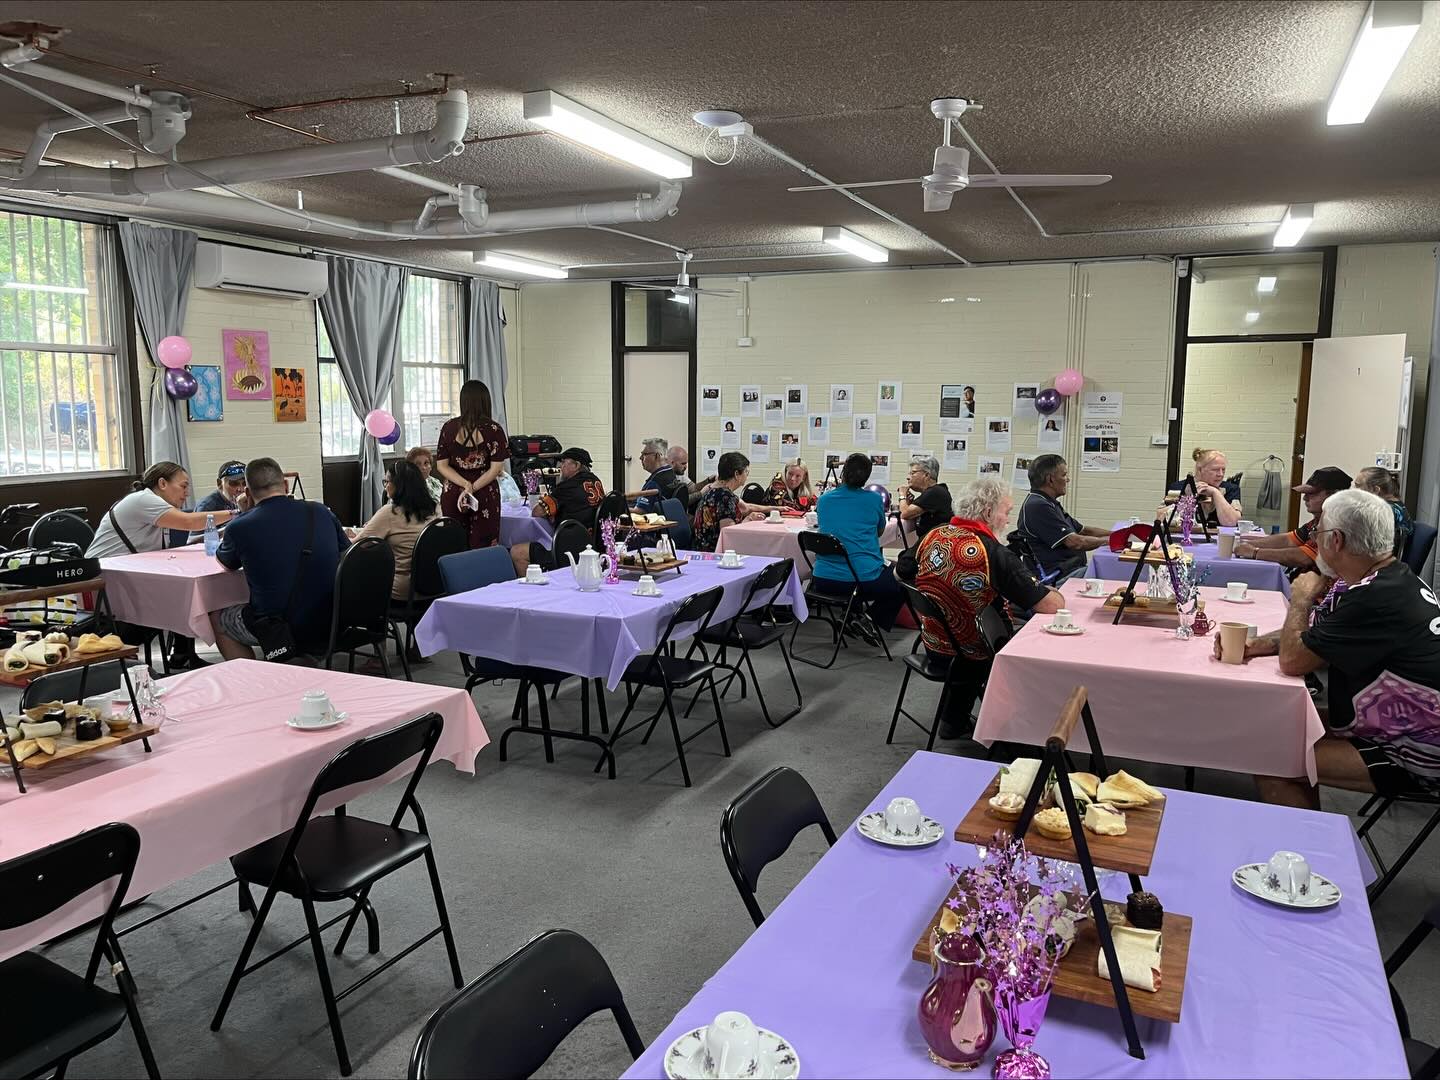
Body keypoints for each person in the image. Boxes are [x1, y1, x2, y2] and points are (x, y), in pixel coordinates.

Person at [1222, 489, 1440, 809]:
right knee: (1275, 719)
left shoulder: (1373, 597)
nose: (1315, 540)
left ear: (1335, 539)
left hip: (1418, 751)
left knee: (1268, 755)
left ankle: (1303, 854)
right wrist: (1258, 645)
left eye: (1318, 532)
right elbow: (1313, 635)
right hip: (1391, 723)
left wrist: (1300, 596)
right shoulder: (1382, 578)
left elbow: (1294, 661)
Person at [907, 476, 1063, 738]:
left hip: (934, 642)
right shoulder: (992, 552)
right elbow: (1049, 606)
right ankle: (1022, 731)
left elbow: (903, 571)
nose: (1008, 520)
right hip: (977, 652)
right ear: (989, 512)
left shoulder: (934, 535)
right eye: (1006, 511)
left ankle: (953, 720)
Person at [210, 457, 349, 662]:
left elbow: (224, 563)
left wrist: (243, 513)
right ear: (285, 485)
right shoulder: (320, 511)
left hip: (278, 622)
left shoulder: (239, 527)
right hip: (330, 616)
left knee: (217, 618)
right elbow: (345, 552)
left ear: (247, 493)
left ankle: (251, 677)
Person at [811, 452, 905, 635]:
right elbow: (879, 532)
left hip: (822, 578)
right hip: (860, 579)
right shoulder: (874, 499)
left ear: (843, 473)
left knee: (857, 570)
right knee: (900, 584)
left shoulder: (824, 500)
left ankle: (852, 616)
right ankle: (867, 619)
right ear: (867, 477)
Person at [88, 461, 238, 559]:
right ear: (163, 483)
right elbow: (189, 522)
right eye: (183, 486)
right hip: (102, 572)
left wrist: (225, 530)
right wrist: (237, 512)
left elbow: (190, 541)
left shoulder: (159, 507)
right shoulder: (143, 499)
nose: (187, 493)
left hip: (122, 568)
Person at [435, 379, 510, 548]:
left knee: (454, 543)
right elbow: (496, 469)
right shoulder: (494, 429)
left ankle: (455, 575)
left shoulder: (448, 427)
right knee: (483, 545)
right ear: (486, 401)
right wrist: (472, 488)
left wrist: (464, 485)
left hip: (453, 490)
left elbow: (441, 465)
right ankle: (483, 575)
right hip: (484, 492)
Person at [1235, 466, 1352, 571]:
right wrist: (1246, 544)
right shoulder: (1317, 521)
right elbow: (1288, 539)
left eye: (1312, 493)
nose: (1305, 498)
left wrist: (1255, 552)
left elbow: (1303, 557)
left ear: (1333, 496)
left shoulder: (1336, 523)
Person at [511, 447, 606, 573]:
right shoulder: (595, 480)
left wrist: (546, 503)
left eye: (564, 462)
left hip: (570, 550)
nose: (560, 466)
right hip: (594, 546)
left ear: (576, 465)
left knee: (517, 552)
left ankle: (530, 591)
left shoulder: (567, 487)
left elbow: (537, 511)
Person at [354, 459, 439, 600]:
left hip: (402, 592)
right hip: (435, 587)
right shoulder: (436, 508)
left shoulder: (389, 512)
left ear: (400, 486)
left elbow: (357, 546)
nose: (385, 486)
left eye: (387, 482)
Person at [1015, 454, 1110, 580]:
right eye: (1064, 475)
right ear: (1051, 480)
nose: (1068, 479)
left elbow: (1084, 530)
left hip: (1072, 569)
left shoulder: (1048, 502)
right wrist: (1111, 541)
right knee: (1112, 574)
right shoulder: (1038, 507)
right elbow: (1076, 542)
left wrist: (1120, 534)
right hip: (1058, 576)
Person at [691, 451, 765, 551]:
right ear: (736, 474)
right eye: (746, 472)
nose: (747, 476)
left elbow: (746, 508)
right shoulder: (725, 498)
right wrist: (749, 519)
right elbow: (729, 535)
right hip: (713, 553)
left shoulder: (713, 491)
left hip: (700, 548)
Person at [1166, 448, 1242, 528]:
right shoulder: (1178, 487)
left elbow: (1231, 522)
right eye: (1215, 470)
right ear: (1200, 469)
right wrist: (1187, 498)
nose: (1220, 474)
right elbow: (1163, 518)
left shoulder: (1231, 489)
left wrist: (1215, 492)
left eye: (1223, 470)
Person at [1353, 466, 1414, 557]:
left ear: (1375, 490)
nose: (1353, 490)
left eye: (1358, 486)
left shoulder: (1384, 512)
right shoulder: (1396, 506)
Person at [898, 456, 952, 543]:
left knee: (904, 556)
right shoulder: (936, 491)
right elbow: (910, 513)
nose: (908, 477)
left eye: (913, 473)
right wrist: (908, 502)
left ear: (926, 475)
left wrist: (902, 495)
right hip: (932, 543)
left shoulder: (934, 492)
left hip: (934, 545)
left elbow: (904, 514)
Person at [631, 436, 683, 513]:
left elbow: (640, 512)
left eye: (644, 454)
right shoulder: (671, 473)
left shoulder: (655, 483)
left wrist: (620, 509)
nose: (640, 458)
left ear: (657, 456)